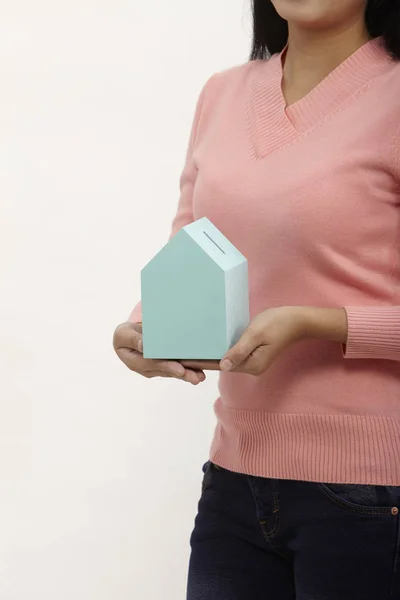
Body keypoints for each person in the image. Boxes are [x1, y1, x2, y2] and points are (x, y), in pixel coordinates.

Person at [113, 0, 400, 597]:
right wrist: (148, 326)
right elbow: (192, 237)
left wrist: (316, 324)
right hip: (235, 479)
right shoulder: (222, 94)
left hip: (374, 493)